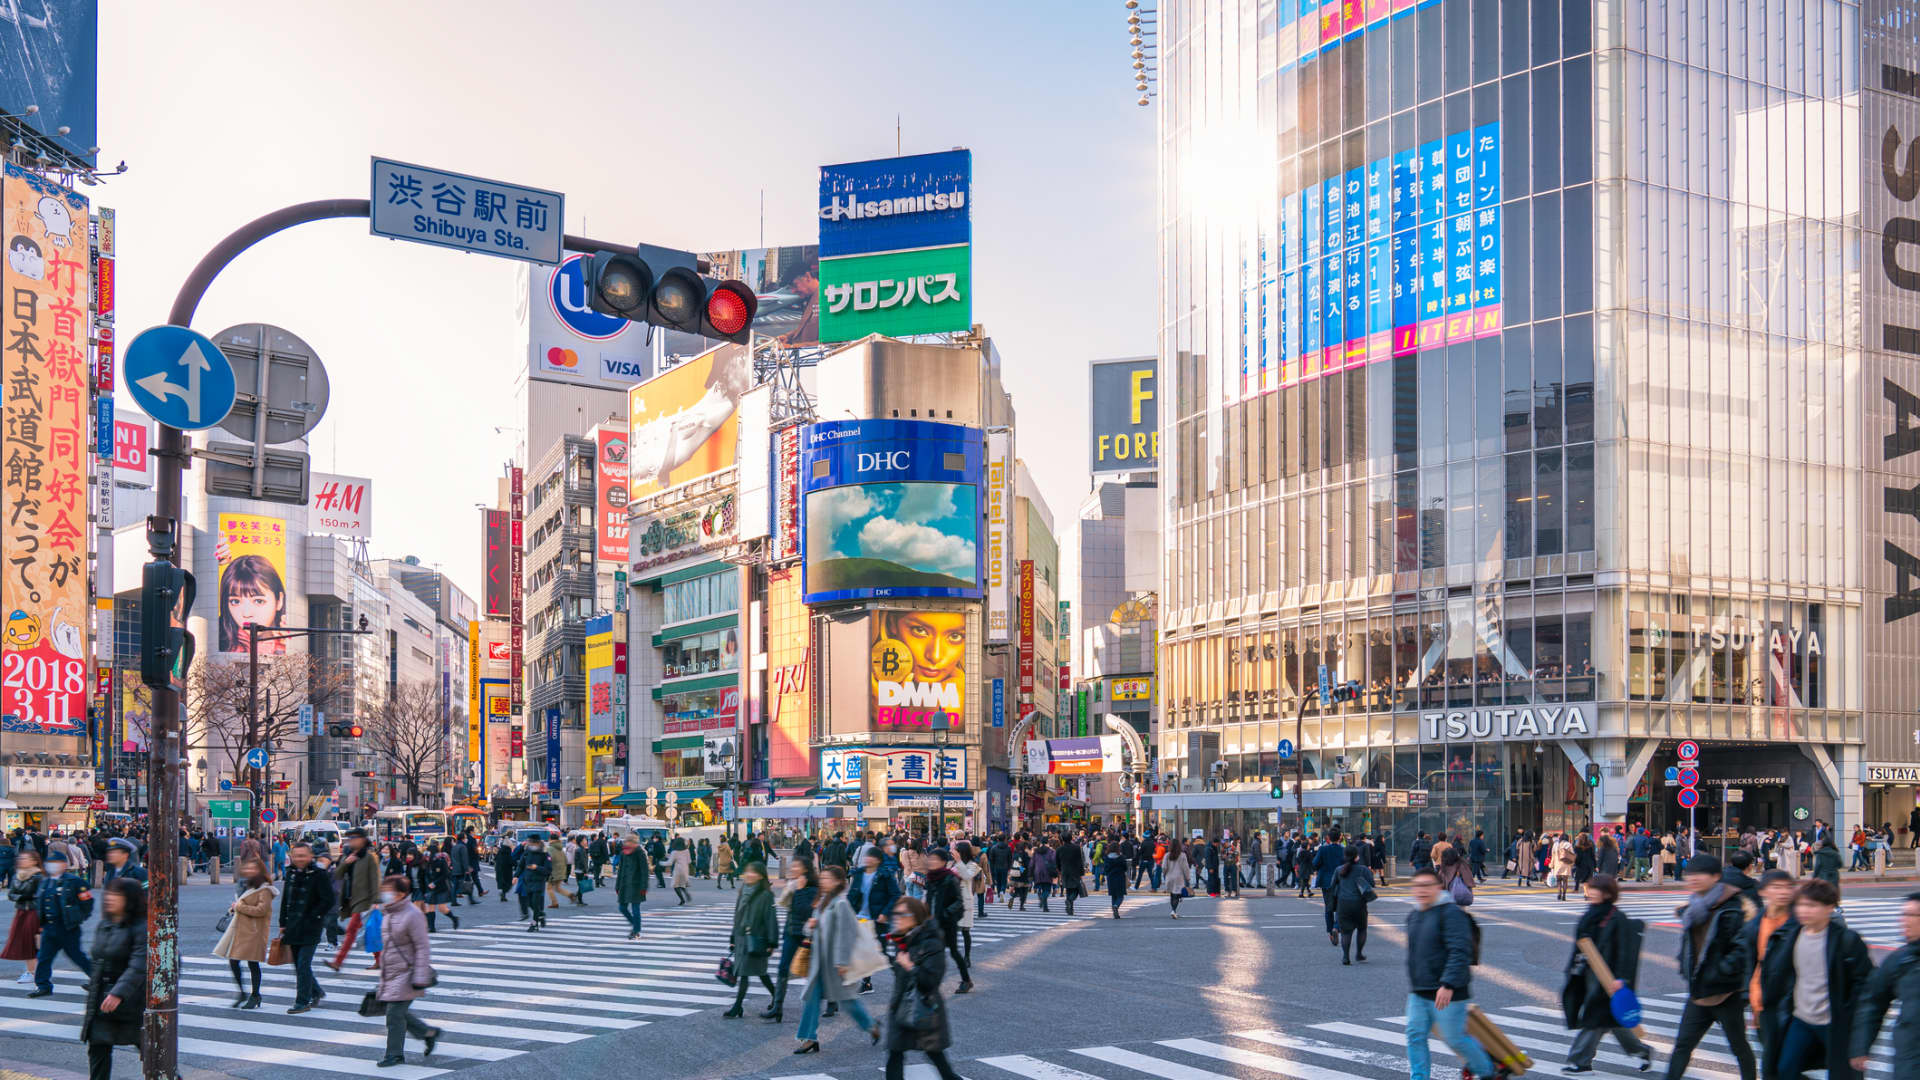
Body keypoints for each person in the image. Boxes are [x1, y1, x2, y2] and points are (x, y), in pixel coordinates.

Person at [1756, 878, 1872, 1080]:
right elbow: (1776, 976)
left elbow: (1865, 985)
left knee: (1842, 1075)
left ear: (1829, 908)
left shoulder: (1847, 940)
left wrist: (1854, 1023)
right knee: (1784, 1070)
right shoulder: (1790, 936)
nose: (1804, 911)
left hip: (1834, 1022)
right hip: (1801, 1019)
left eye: (1812, 906)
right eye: (1800, 905)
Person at [1661, 854, 1758, 1080]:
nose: (1693, 879)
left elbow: (1741, 949)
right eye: (1690, 874)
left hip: (1725, 993)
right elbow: (1691, 945)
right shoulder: (1695, 906)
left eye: (1699, 874)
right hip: (1699, 991)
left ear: (1715, 877)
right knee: (1683, 1045)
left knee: (1738, 1047)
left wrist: (1720, 971)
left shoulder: (1732, 907)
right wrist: (1683, 965)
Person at [1403, 868, 1498, 1080]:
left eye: (1427, 885)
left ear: (1438, 887)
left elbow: (1460, 951)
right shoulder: (1415, 914)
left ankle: (1488, 1071)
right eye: (1417, 886)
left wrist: (1448, 984)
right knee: (1414, 1036)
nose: (1421, 890)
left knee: (1455, 1039)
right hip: (1419, 991)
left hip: (1448, 991)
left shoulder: (1451, 913)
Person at [1560, 874, 1654, 1074]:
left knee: (1594, 1019)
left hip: (1608, 978)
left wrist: (1621, 978)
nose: (1591, 892)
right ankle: (1641, 1051)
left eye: (1596, 889)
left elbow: (1624, 952)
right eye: (1590, 888)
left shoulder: (1616, 918)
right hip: (1588, 975)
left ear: (1608, 893)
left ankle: (1580, 1061)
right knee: (1612, 1020)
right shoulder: (1591, 913)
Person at [793, 864, 882, 1054]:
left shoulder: (841, 904)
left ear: (838, 882)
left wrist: (842, 961)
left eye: (828, 879)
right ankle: (809, 1038)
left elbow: (847, 934)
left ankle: (871, 1026)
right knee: (811, 998)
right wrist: (810, 926)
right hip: (820, 962)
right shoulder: (824, 901)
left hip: (835, 963)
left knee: (848, 1000)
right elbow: (811, 930)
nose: (823, 882)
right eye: (822, 878)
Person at [882, 896, 962, 1080]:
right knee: (894, 1054)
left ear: (915, 917)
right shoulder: (902, 940)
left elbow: (930, 980)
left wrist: (910, 966)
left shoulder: (931, 943)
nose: (897, 918)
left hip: (924, 1007)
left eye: (902, 914)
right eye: (895, 914)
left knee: (938, 1059)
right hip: (902, 1006)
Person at [80, 878, 147, 1080]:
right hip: (103, 997)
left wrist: (118, 993)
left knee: (151, 1050)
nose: (109, 899)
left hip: (132, 999)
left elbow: (138, 965)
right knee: (98, 1047)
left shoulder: (142, 927)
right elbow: (98, 959)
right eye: (108, 894)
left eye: (117, 895)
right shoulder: (106, 924)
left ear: (131, 899)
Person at [372, 875, 441, 1068]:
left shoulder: (413, 914)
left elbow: (422, 947)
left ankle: (394, 1054)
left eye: (389, 891)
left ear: (401, 894)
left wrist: (420, 977)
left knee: (394, 1013)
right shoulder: (389, 913)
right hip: (392, 971)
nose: (384, 894)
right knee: (395, 1010)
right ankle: (428, 1033)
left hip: (409, 972)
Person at [1850, 890, 1920, 1076]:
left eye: (1913, 915)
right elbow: (1873, 1001)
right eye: (1904, 914)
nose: (1905, 920)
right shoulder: (1901, 960)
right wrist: (1861, 1046)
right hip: (1911, 1055)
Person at [1747, 869, 1800, 1058]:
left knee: (1782, 1063)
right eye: (1776, 887)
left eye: (1788, 887)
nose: (1783, 892)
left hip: (1793, 1004)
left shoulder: (1800, 923)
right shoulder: (1754, 926)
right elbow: (1750, 963)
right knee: (1775, 1063)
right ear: (1762, 891)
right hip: (1762, 1003)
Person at [29, 848, 93, 997]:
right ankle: (43, 985)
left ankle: (98, 980)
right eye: (50, 862)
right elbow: (40, 904)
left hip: (68, 927)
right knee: (44, 957)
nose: (52, 865)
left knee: (77, 956)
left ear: (64, 864)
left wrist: (78, 918)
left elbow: (87, 902)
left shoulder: (75, 882)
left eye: (56, 862)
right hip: (49, 927)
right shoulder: (45, 882)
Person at [213, 856, 275, 1009]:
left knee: (252, 963)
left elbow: (261, 910)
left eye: (253, 869)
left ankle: (255, 995)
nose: (249, 871)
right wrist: (235, 907)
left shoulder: (265, 889)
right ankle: (243, 992)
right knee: (234, 961)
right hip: (243, 930)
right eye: (247, 868)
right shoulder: (250, 886)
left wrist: (239, 907)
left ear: (259, 870)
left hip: (254, 931)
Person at [278, 843, 333, 1014]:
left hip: (311, 926)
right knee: (298, 964)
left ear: (311, 857)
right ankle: (316, 991)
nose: (299, 859)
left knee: (303, 963)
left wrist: (314, 916)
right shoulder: (291, 873)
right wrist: (282, 922)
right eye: (296, 856)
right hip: (293, 925)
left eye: (303, 855)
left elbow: (328, 900)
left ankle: (302, 1001)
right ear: (292, 857)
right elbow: (285, 899)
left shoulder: (319, 874)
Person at [763, 856, 817, 1023]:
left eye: (796, 867)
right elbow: (790, 911)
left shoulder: (812, 889)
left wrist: (800, 890)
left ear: (805, 869)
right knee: (783, 968)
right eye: (792, 866)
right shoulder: (792, 886)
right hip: (791, 933)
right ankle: (777, 1007)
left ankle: (831, 1002)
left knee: (813, 972)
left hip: (806, 935)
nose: (792, 869)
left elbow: (805, 911)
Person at [722, 862, 779, 1019]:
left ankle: (737, 1007)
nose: (749, 875)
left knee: (752, 973)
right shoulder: (743, 891)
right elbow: (737, 916)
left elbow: (771, 919)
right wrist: (733, 937)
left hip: (756, 938)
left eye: (753, 872)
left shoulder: (766, 895)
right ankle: (775, 998)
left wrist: (771, 942)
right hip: (741, 938)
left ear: (761, 876)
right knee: (755, 973)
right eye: (748, 872)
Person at [847, 847, 901, 995]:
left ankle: (903, 978)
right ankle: (867, 983)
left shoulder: (885, 875)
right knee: (863, 950)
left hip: (878, 919)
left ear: (878, 860)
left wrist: (885, 913)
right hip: (861, 918)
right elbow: (852, 895)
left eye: (871, 857)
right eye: (867, 856)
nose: (867, 859)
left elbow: (896, 895)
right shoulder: (859, 874)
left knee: (881, 952)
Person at [327, 829, 381, 971]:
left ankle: (338, 962)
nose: (351, 840)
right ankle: (379, 959)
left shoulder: (370, 857)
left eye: (354, 838)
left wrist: (376, 901)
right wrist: (346, 863)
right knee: (370, 932)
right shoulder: (348, 855)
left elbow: (375, 879)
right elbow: (337, 874)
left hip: (365, 900)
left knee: (351, 931)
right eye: (349, 838)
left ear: (363, 839)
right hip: (351, 899)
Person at [923, 848, 973, 993]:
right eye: (930, 859)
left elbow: (959, 902)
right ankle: (928, 984)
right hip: (932, 922)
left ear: (943, 862)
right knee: (928, 952)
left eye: (935, 860)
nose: (931, 862)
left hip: (947, 922)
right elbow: (929, 899)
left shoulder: (950, 878)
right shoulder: (931, 878)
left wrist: (945, 913)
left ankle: (966, 980)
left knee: (953, 952)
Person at [4, 851, 43, 986]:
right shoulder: (17, 875)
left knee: (33, 943)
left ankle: (34, 972)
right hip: (21, 911)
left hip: (34, 912)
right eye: (21, 858)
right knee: (24, 942)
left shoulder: (38, 876)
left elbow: (37, 897)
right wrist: (22, 896)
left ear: (34, 861)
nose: (21, 860)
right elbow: (11, 894)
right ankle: (32, 971)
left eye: (25, 858)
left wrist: (20, 896)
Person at [1333, 843, 1376, 965]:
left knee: (1346, 932)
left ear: (1345, 856)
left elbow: (1333, 885)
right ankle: (1359, 954)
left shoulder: (1339, 870)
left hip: (1343, 904)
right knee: (1362, 929)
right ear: (1357, 856)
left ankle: (1345, 957)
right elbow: (1372, 883)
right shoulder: (1363, 869)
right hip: (1359, 904)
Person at [512, 835, 551, 931]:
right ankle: (540, 915)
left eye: (530, 842)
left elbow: (548, 869)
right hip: (527, 881)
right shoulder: (527, 852)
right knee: (529, 903)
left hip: (538, 881)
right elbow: (521, 865)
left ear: (537, 843)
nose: (529, 843)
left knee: (535, 902)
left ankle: (534, 924)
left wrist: (536, 867)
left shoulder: (545, 854)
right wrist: (516, 876)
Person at [615, 836, 650, 940]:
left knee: (635, 909)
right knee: (622, 908)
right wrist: (617, 885)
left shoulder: (640, 852)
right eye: (627, 842)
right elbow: (620, 870)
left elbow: (645, 871)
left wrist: (644, 887)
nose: (627, 844)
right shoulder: (623, 853)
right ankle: (636, 926)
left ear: (634, 843)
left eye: (629, 842)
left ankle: (636, 931)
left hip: (636, 884)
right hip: (624, 884)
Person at [1315, 828, 1345, 944]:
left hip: (1326, 882)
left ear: (1328, 838)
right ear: (1340, 838)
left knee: (1328, 908)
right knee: (1340, 908)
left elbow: (1315, 864)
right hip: (1341, 881)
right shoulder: (1343, 850)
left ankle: (1330, 932)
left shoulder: (1323, 849)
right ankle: (1336, 928)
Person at [1056, 835, 1085, 916]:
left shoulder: (1059, 849)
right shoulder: (1076, 848)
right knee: (1076, 889)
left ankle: (1070, 909)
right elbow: (1080, 860)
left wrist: (1060, 870)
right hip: (1075, 871)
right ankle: (1070, 902)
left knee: (1069, 889)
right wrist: (1082, 872)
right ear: (1071, 838)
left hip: (1065, 871)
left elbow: (1057, 862)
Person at [1104, 838, 1129, 918]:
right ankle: (1116, 906)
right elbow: (1125, 867)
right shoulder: (1121, 857)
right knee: (1120, 896)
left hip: (1110, 878)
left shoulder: (1107, 858)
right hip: (1120, 877)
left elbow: (1106, 869)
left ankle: (1115, 910)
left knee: (1113, 895)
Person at [1031, 838, 1057, 911]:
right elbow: (1054, 862)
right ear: (1047, 843)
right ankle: (1043, 898)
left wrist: (1030, 873)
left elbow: (1032, 863)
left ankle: (1045, 907)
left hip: (1037, 872)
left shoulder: (1036, 851)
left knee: (1042, 888)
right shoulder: (1051, 851)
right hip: (1047, 872)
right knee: (1047, 890)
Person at [669, 838, 692, 905]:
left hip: (677, 870)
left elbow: (670, 862)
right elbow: (689, 861)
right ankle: (686, 893)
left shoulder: (674, 852)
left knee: (675, 886)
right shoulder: (687, 851)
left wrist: (661, 863)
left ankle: (682, 900)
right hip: (685, 870)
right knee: (682, 884)